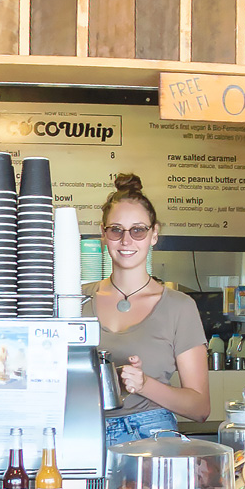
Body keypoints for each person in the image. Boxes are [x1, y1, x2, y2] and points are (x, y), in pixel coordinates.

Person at [88, 173, 211, 446]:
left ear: (154, 234)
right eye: (116, 230)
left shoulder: (179, 307)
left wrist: (144, 384)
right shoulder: (75, 301)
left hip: (152, 440)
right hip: (83, 434)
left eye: (138, 230)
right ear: (103, 235)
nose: (126, 240)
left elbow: (200, 408)